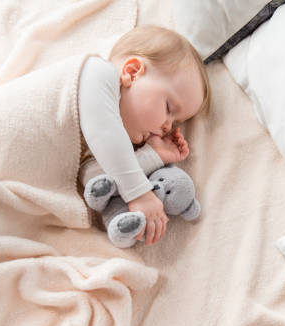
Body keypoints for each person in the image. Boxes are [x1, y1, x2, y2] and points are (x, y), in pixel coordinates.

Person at [77, 25, 211, 246]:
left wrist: (154, 156)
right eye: (169, 107)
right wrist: (139, 193)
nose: (168, 126)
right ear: (132, 72)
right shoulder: (97, 73)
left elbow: (101, 177)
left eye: (177, 123)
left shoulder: (104, 151)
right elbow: (104, 132)